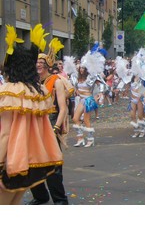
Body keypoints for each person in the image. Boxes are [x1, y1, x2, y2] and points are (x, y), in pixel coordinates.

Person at [0, 24, 63, 204]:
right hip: (30, 162)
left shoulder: (10, 92)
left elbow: (5, 134)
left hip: (10, 163)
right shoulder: (39, 92)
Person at [28, 38, 69, 205]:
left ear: (47, 64)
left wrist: (56, 127)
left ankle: (60, 200)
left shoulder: (56, 81)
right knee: (32, 163)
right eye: (36, 62)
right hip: (35, 126)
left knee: (53, 166)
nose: (38, 65)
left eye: (41, 62)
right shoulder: (32, 82)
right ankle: (40, 196)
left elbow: (63, 108)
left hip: (51, 124)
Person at [71, 51, 105, 148]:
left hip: (89, 100)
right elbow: (75, 86)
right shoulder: (77, 78)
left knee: (86, 120)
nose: (81, 69)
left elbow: (101, 83)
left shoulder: (91, 77)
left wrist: (100, 93)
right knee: (75, 118)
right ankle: (80, 138)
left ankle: (90, 139)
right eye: (80, 68)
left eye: (83, 68)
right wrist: (76, 89)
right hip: (81, 100)